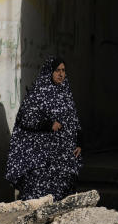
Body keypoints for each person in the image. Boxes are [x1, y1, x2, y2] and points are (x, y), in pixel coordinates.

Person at [5, 56, 83, 200]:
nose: (61, 74)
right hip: (41, 154)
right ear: (49, 72)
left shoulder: (65, 93)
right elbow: (25, 118)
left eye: (63, 70)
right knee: (39, 190)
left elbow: (74, 120)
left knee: (63, 188)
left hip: (63, 154)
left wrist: (79, 143)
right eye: (57, 70)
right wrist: (48, 124)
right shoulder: (38, 93)